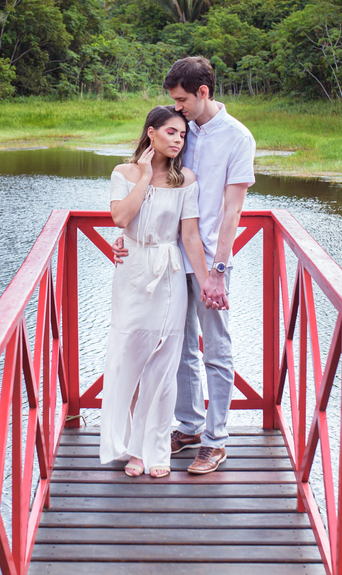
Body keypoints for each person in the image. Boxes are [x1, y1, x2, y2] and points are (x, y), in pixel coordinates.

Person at [113, 56, 255, 475]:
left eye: (181, 99)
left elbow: (233, 212)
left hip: (210, 260)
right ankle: (189, 426)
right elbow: (153, 185)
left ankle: (215, 440)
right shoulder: (181, 130)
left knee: (216, 349)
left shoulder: (238, 138)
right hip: (169, 261)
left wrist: (219, 271)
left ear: (203, 93)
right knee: (178, 352)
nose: (176, 107)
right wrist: (123, 236)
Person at [100, 106, 208, 478]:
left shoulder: (186, 181)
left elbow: (190, 236)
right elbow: (120, 219)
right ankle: (134, 449)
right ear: (151, 133)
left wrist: (208, 279)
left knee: (163, 365)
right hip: (131, 273)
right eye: (171, 133)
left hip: (169, 274)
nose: (178, 140)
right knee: (128, 358)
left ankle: (156, 448)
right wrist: (145, 176)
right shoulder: (124, 173)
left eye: (182, 135)